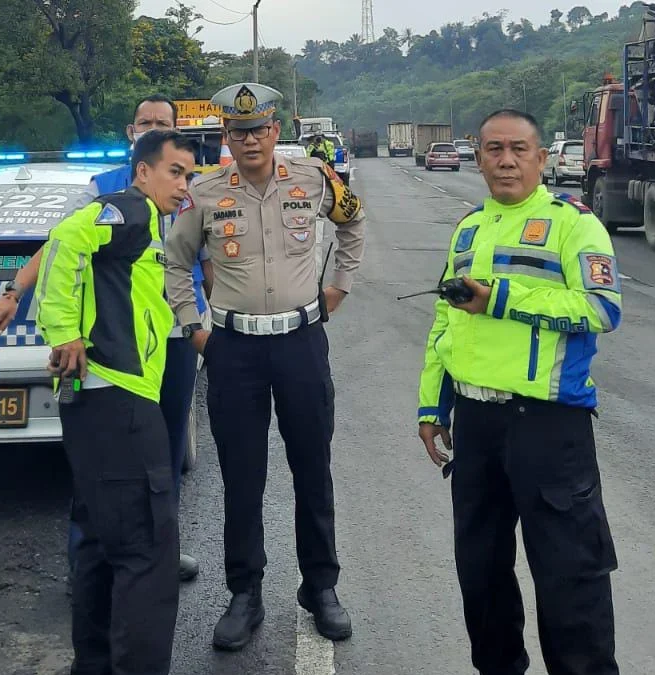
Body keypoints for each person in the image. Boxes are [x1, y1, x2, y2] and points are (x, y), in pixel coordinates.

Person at [416, 109, 623, 675]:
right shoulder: (468, 229)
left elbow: (602, 309)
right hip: (477, 428)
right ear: (478, 157)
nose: (506, 161)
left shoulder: (574, 224)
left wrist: (502, 298)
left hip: (550, 427)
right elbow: (444, 323)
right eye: (493, 149)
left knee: (569, 580)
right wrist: (433, 405)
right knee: (480, 574)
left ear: (541, 158)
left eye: (518, 149)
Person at [165, 83, 367, 650]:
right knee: (242, 477)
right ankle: (244, 593)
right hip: (234, 351)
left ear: (276, 132)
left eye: (259, 130)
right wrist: (194, 326)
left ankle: (320, 587)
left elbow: (352, 225)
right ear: (225, 137)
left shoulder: (313, 181)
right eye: (238, 131)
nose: (249, 139)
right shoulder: (203, 193)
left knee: (312, 468)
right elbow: (175, 264)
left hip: (301, 342)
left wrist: (339, 287)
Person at [0, 94, 213, 585]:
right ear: (131, 132)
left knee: (167, 449)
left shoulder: (194, 184)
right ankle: (87, 559)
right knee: (101, 459)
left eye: (161, 121)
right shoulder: (107, 187)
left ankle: (160, 548)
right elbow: (61, 241)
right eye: (143, 122)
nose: (150, 126)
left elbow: (210, 257)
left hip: (176, 332)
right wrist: (15, 290)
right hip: (118, 339)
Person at [35, 129, 196, 675]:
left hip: (100, 403)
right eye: (175, 172)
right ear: (144, 172)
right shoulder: (128, 211)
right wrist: (63, 332)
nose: (183, 184)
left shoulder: (145, 223)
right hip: (118, 401)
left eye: (189, 176)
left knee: (102, 543)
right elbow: (63, 240)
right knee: (149, 550)